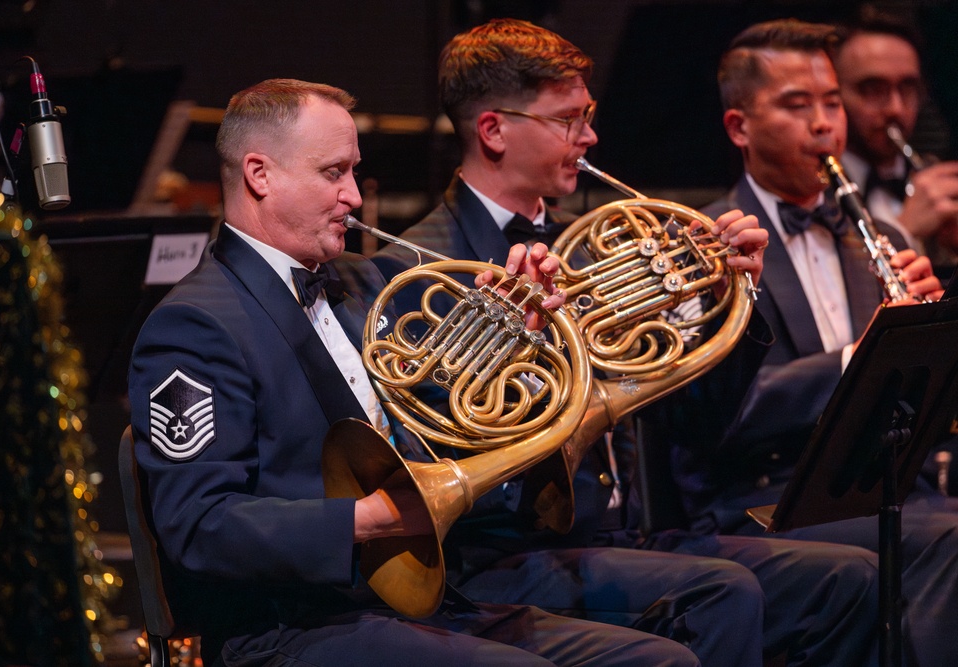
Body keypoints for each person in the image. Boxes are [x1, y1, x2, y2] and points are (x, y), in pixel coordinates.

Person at [126, 78, 703, 666]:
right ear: (259, 174)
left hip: (417, 601)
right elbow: (197, 525)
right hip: (289, 626)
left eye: (353, 172)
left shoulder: (362, 282)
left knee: (661, 661)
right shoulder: (195, 324)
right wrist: (370, 519)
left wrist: (518, 337)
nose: (353, 196)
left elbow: (449, 416)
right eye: (333, 173)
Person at [363, 18, 880, 667]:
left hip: (637, 529)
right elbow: (431, 436)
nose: (590, 138)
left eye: (590, 116)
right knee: (724, 592)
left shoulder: (603, 242)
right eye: (569, 120)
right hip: (508, 551)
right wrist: (514, 347)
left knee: (848, 578)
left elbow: (700, 424)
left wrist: (731, 307)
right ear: (494, 130)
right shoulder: (417, 266)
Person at [642, 18, 958, 665]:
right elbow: (715, 421)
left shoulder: (878, 237)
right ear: (739, 128)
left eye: (832, 102)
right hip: (765, 501)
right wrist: (854, 359)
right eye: (796, 104)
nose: (825, 124)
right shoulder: (704, 253)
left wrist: (920, 340)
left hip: (879, 485)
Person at [833, 6, 958, 283]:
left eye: (907, 87)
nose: (895, 108)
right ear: (834, 94)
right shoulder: (816, 194)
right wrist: (904, 232)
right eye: (873, 88)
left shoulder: (937, 177)